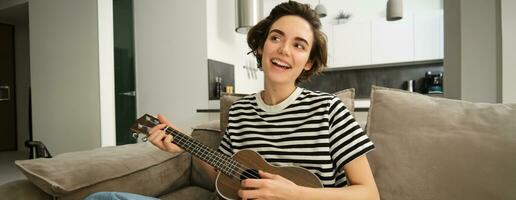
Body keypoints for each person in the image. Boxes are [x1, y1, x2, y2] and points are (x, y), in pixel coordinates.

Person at [86, 1, 379, 200]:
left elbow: (369, 193)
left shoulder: (329, 110)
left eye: (298, 45)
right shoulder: (240, 112)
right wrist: (183, 146)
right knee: (104, 198)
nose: (284, 50)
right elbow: (226, 174)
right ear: (261, 46)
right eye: (276, 38)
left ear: (308, 64)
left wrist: (293, 193)